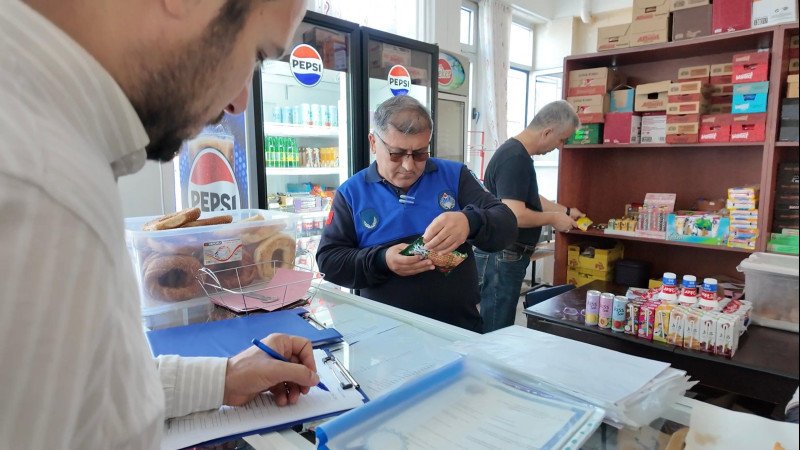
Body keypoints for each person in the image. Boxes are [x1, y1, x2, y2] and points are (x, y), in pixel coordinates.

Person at [0, 0, 316, 447]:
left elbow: (94, 390)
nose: (239, 101)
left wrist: (226, 378)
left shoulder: (50, 143)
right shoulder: (39, 187)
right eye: (257, 54)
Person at [316, 95, 517, 333]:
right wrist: (382, 260)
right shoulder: (351, 193)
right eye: (396, 153)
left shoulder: (455, 176)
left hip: (458, 330)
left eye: (420, 153)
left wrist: (470, 221)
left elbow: (506, 224)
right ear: (373, 143)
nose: (409, 166)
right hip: (382, 337)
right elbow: (329, 261)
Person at [475, 100, 586, 333]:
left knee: (498, 324)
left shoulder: (517, 155)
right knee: (496, 329)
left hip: (506, 255)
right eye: (561, 140)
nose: (560, 147)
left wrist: (564, 211)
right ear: (547, 132)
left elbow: (528, 198)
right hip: (502, 256)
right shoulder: (514, 158)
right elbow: (515, 214)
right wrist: (553, 219)